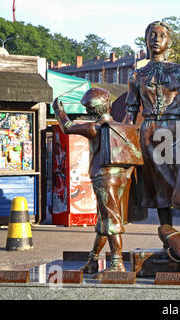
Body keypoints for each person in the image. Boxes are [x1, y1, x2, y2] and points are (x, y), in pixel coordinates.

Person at [123, 21, 180, 236]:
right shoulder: (137, 75)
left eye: (161, 35)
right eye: (152, 35)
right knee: (159, 192)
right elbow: (130, 111)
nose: (156, 39)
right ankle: (169, 239)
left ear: (169, 41)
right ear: (145, 40)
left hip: (175, 131)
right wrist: (120, 138)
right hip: (149, 133)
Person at [52, 87, 132, 274]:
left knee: (111, 222)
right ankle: (93, 260)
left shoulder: (93, 128)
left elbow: (67, 126)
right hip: (119, 177)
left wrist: (59, 110)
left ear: (90, 111)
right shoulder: (121, 127)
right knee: (104, 221)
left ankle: (117, 264)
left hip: (103, 179)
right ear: (109, 106)